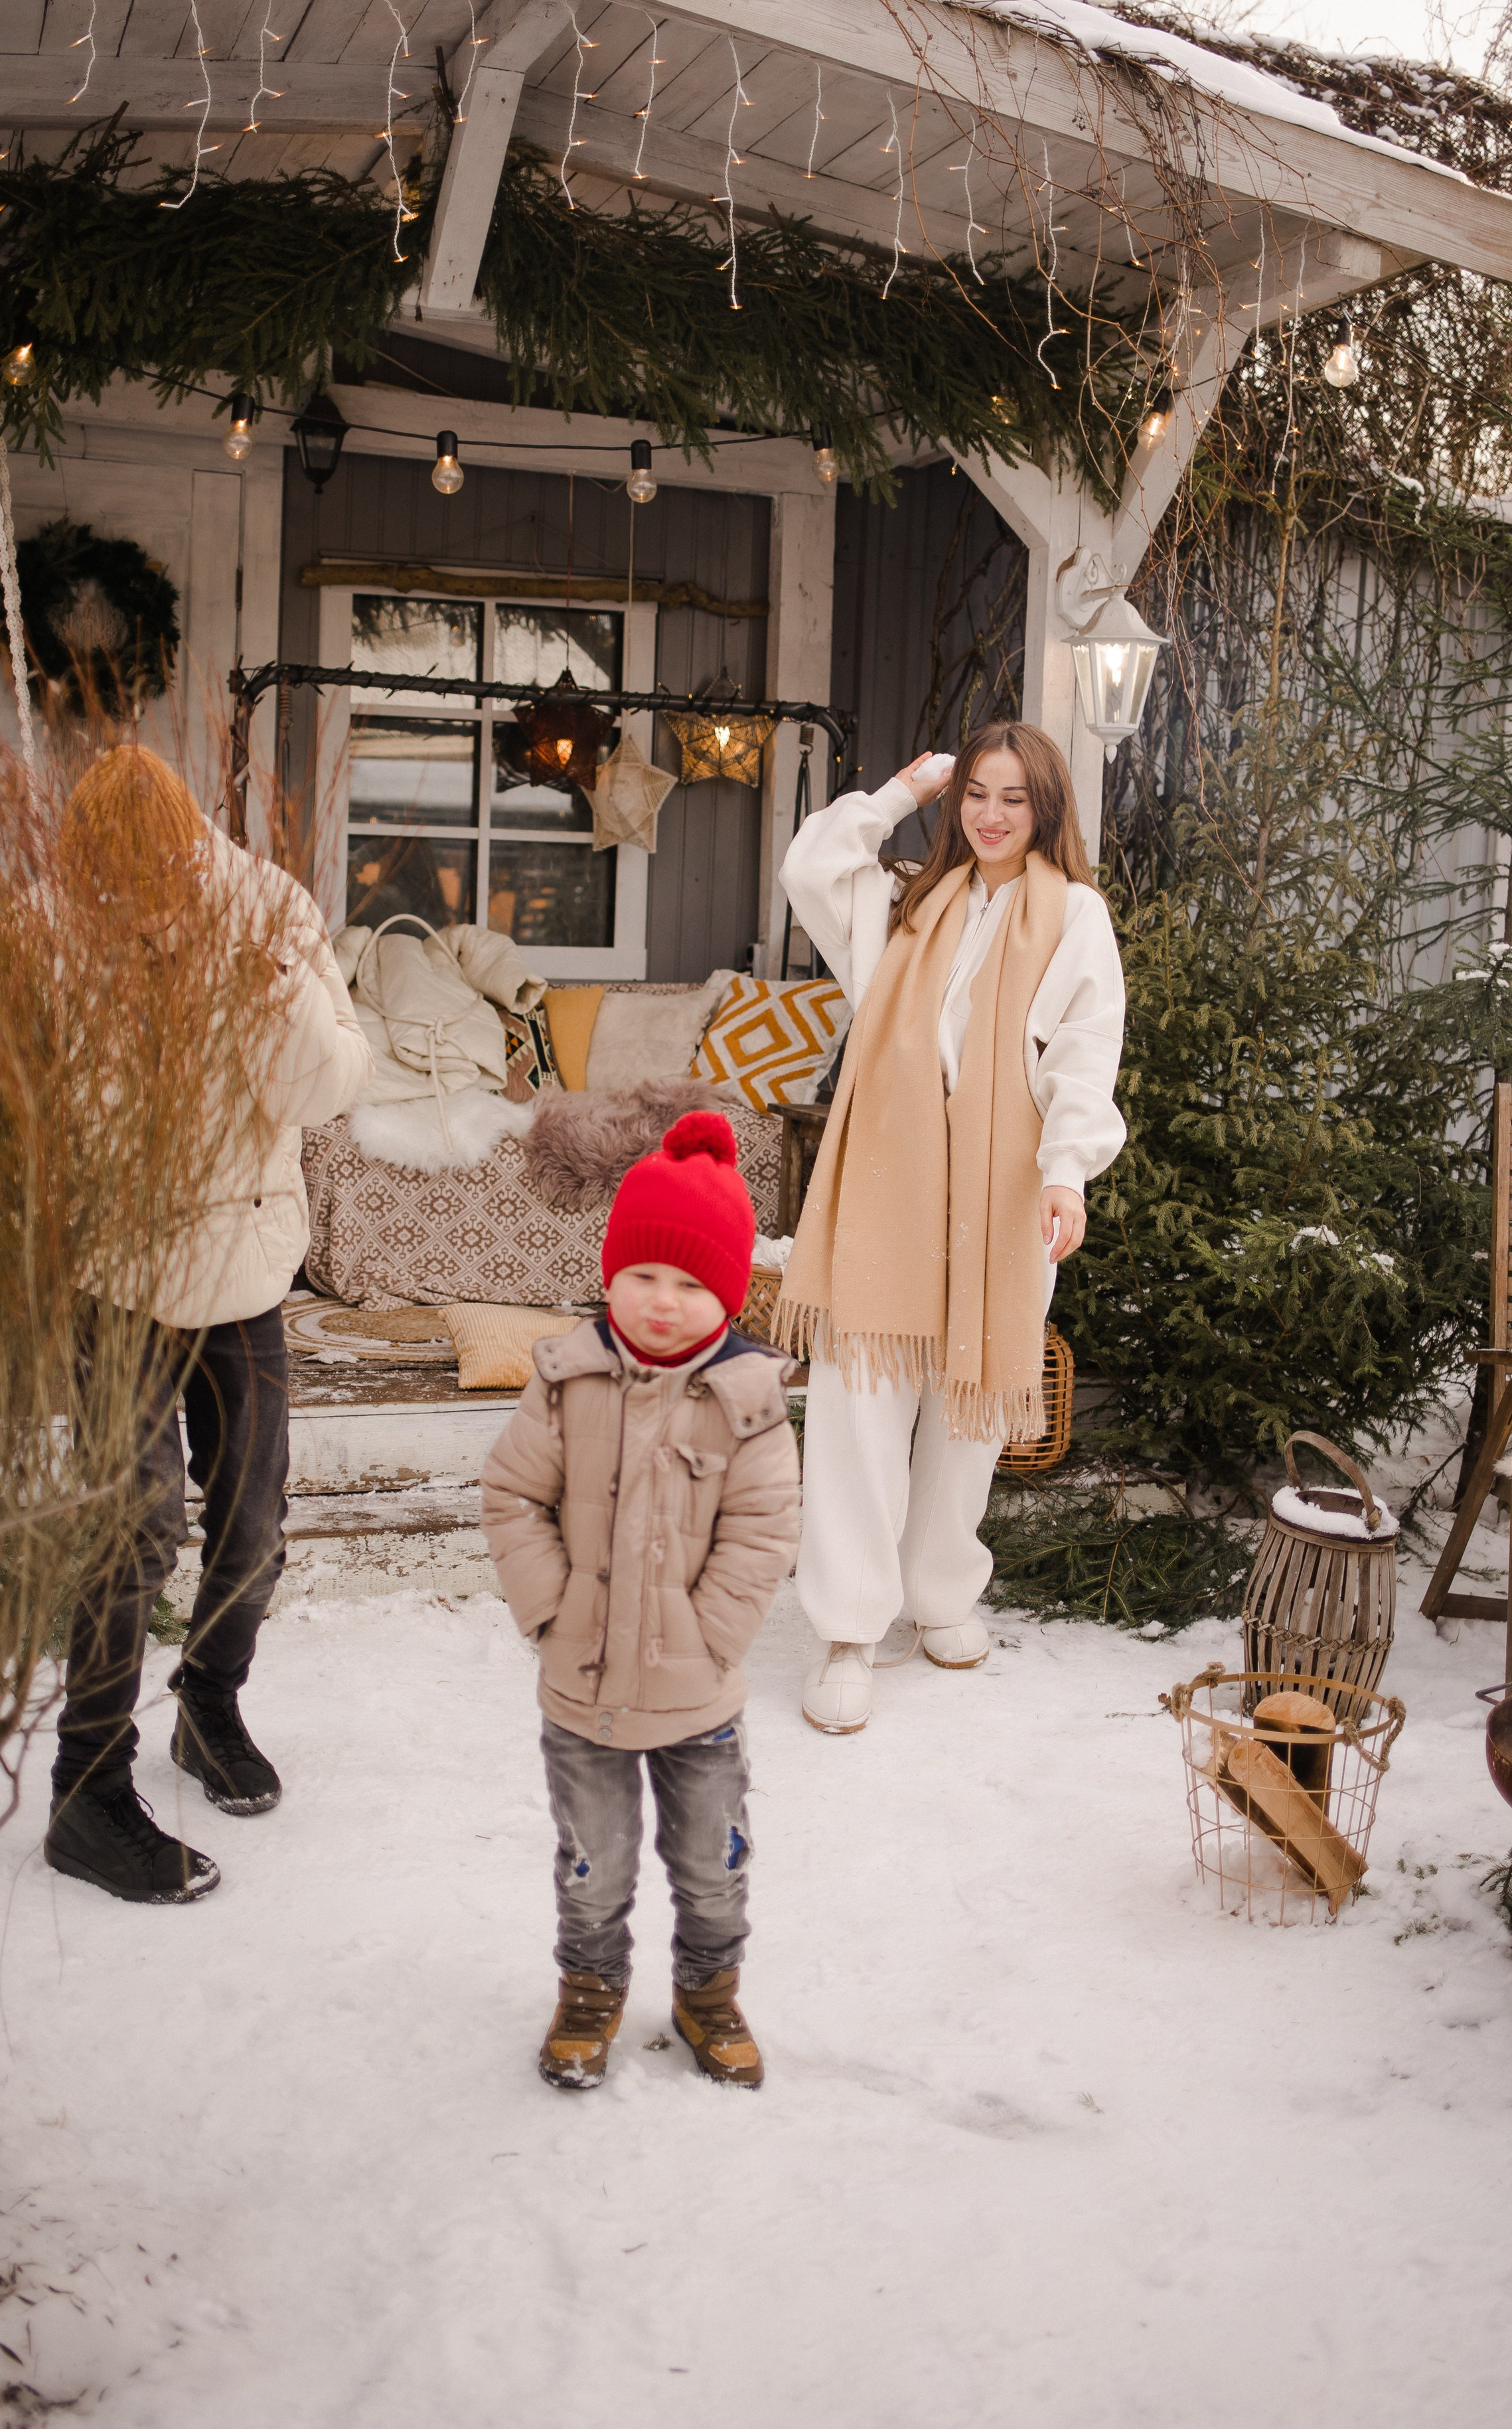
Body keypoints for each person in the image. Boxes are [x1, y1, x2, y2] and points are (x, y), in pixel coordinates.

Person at [44, 746, 373, 1904]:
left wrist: (260, 988)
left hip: (241, 1267)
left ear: (188, 852)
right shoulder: (57, 928)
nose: (129, 902)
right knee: (127, 1533)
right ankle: (87, 1792)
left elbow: (332, 1083)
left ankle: (210, 1704)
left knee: (250, 1520)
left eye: (150, 877)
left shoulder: (267, 911)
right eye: (108, 883)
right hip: (115, 1275)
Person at [774, 722, 1126, 1735]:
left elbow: (1084, 1054)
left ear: (1047, 808)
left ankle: (938, 1594)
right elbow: (809, 864)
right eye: (975, 792)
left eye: (1014, 797)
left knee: (967, 1407)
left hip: (1005, 1190)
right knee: (861, 1397)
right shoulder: (905, 904)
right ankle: (848, 1629)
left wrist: (1068, 1173)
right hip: (887, 1176)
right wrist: (895, 793)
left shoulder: (1075, 917)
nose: (990, 814)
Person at [480, 1111, 800, 2092]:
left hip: (698, 1701)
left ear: (730, 1293)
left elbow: (763, 1535)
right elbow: (512, 1498)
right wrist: (550, 1612)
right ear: (611, 1272)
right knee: (595, 1863)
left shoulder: (747, 1403)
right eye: (645, 1276)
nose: (664, 1302)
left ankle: (710, 1992)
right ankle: (589, 1991)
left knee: (711, 1864)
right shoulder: (567, 1381)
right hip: (581, 1691)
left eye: (693, 1284)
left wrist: (705, 1641)